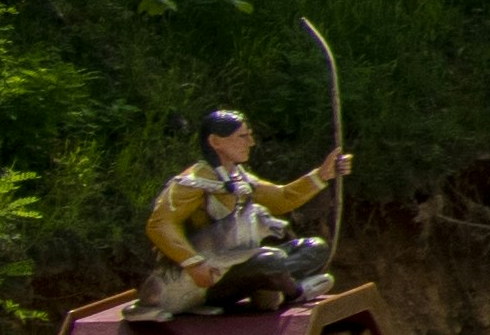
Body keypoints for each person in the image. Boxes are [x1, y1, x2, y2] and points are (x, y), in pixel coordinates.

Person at [137, 110, 348, 321]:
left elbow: (282, 197)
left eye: (250, 135)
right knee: (270, 261)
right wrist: (193, 263)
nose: (251, 142)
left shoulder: (239, 178)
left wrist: (322, 175)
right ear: (216, 141)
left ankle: (269, 283)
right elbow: (159, 225)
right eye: (242, 137)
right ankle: (294, 291)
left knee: (315, 248)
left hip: (240, 261)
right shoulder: (190, 183)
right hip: (206, 277)